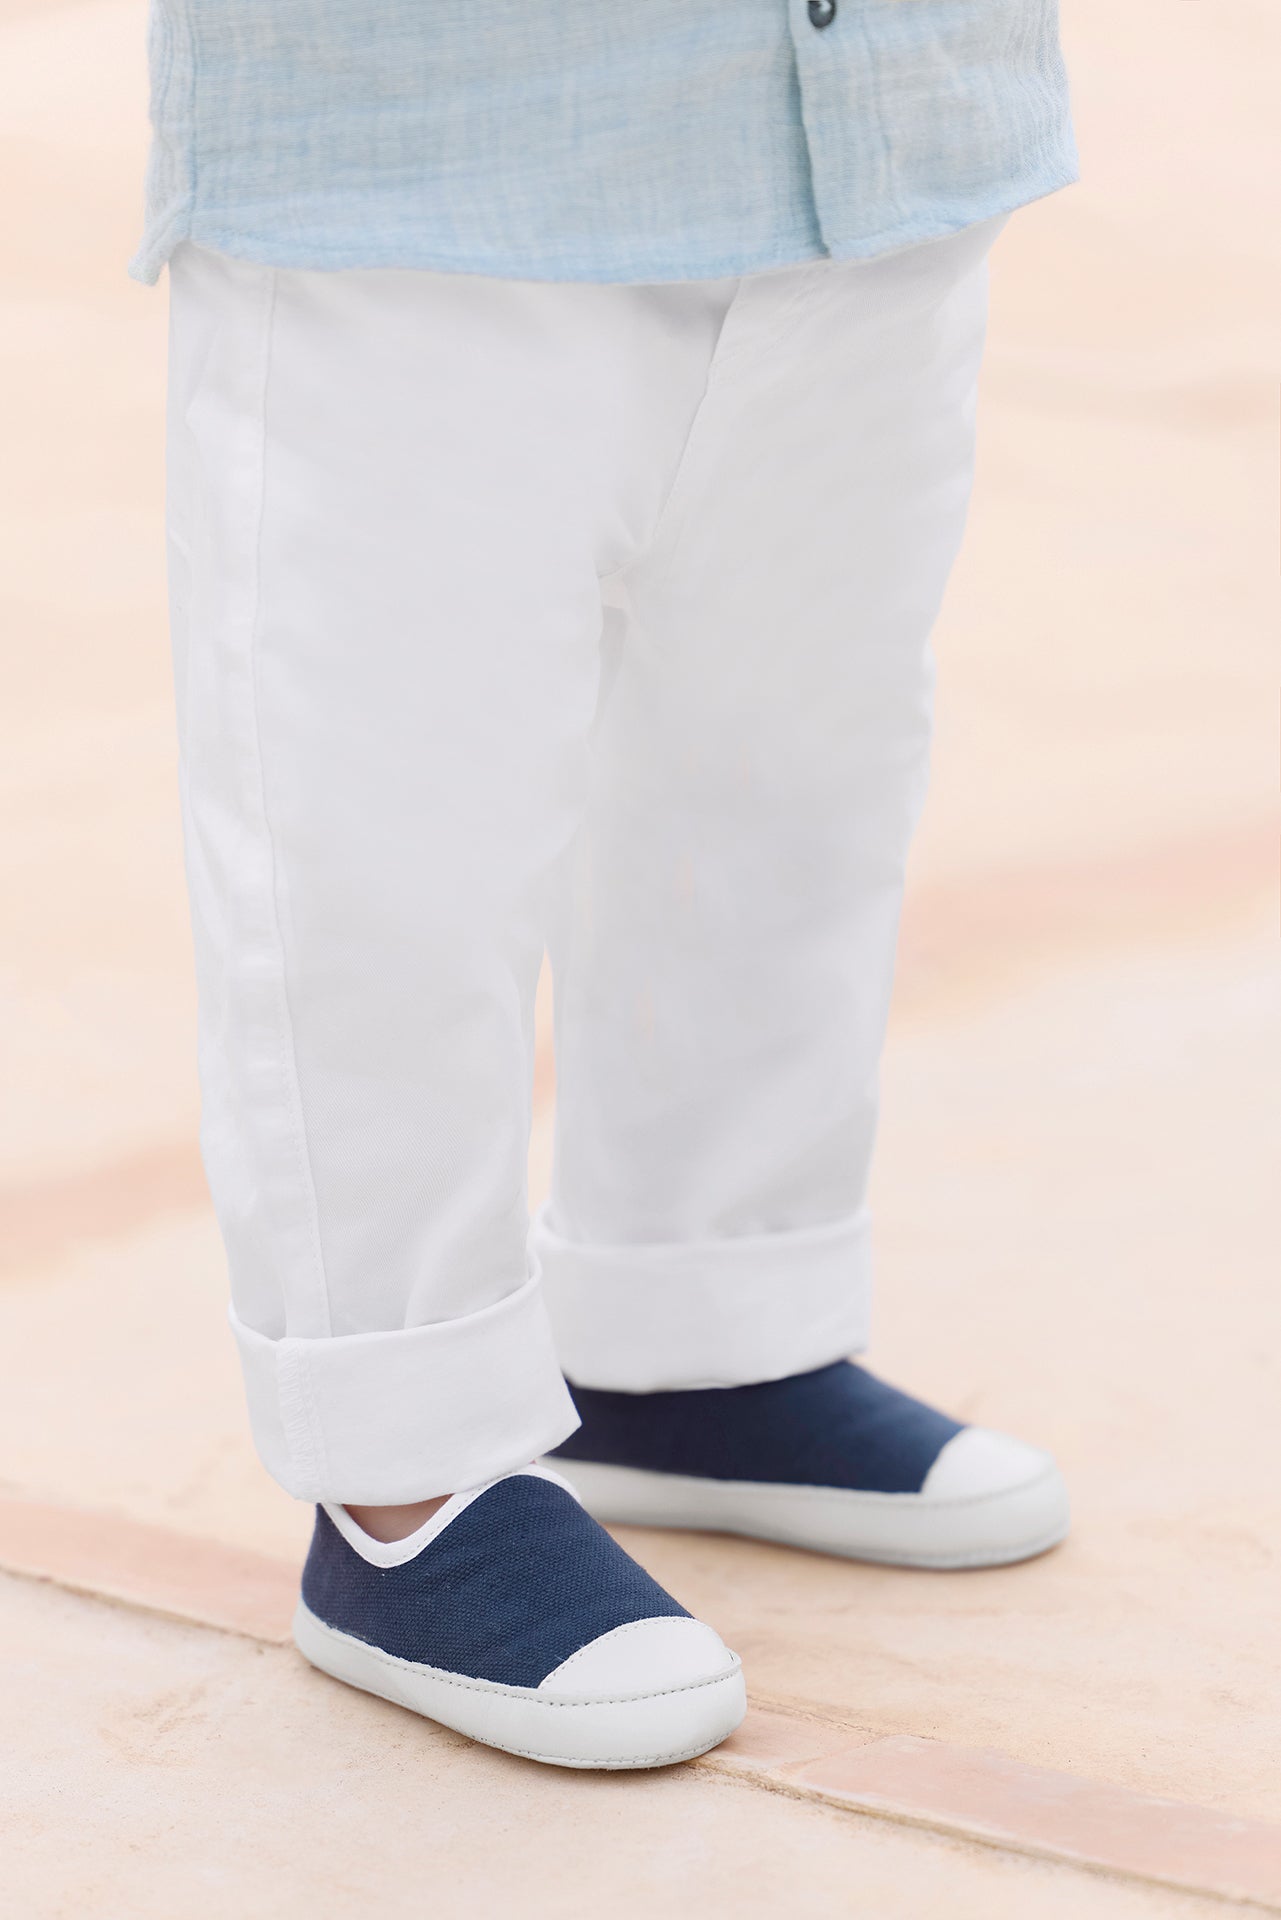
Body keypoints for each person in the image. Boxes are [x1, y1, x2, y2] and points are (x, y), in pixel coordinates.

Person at [134, 1, 1077, 1770]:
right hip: (429, 146)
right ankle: (400, 1466)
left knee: (790, 765)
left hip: (879, 109)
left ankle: (698, 1331)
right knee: (393, 825)